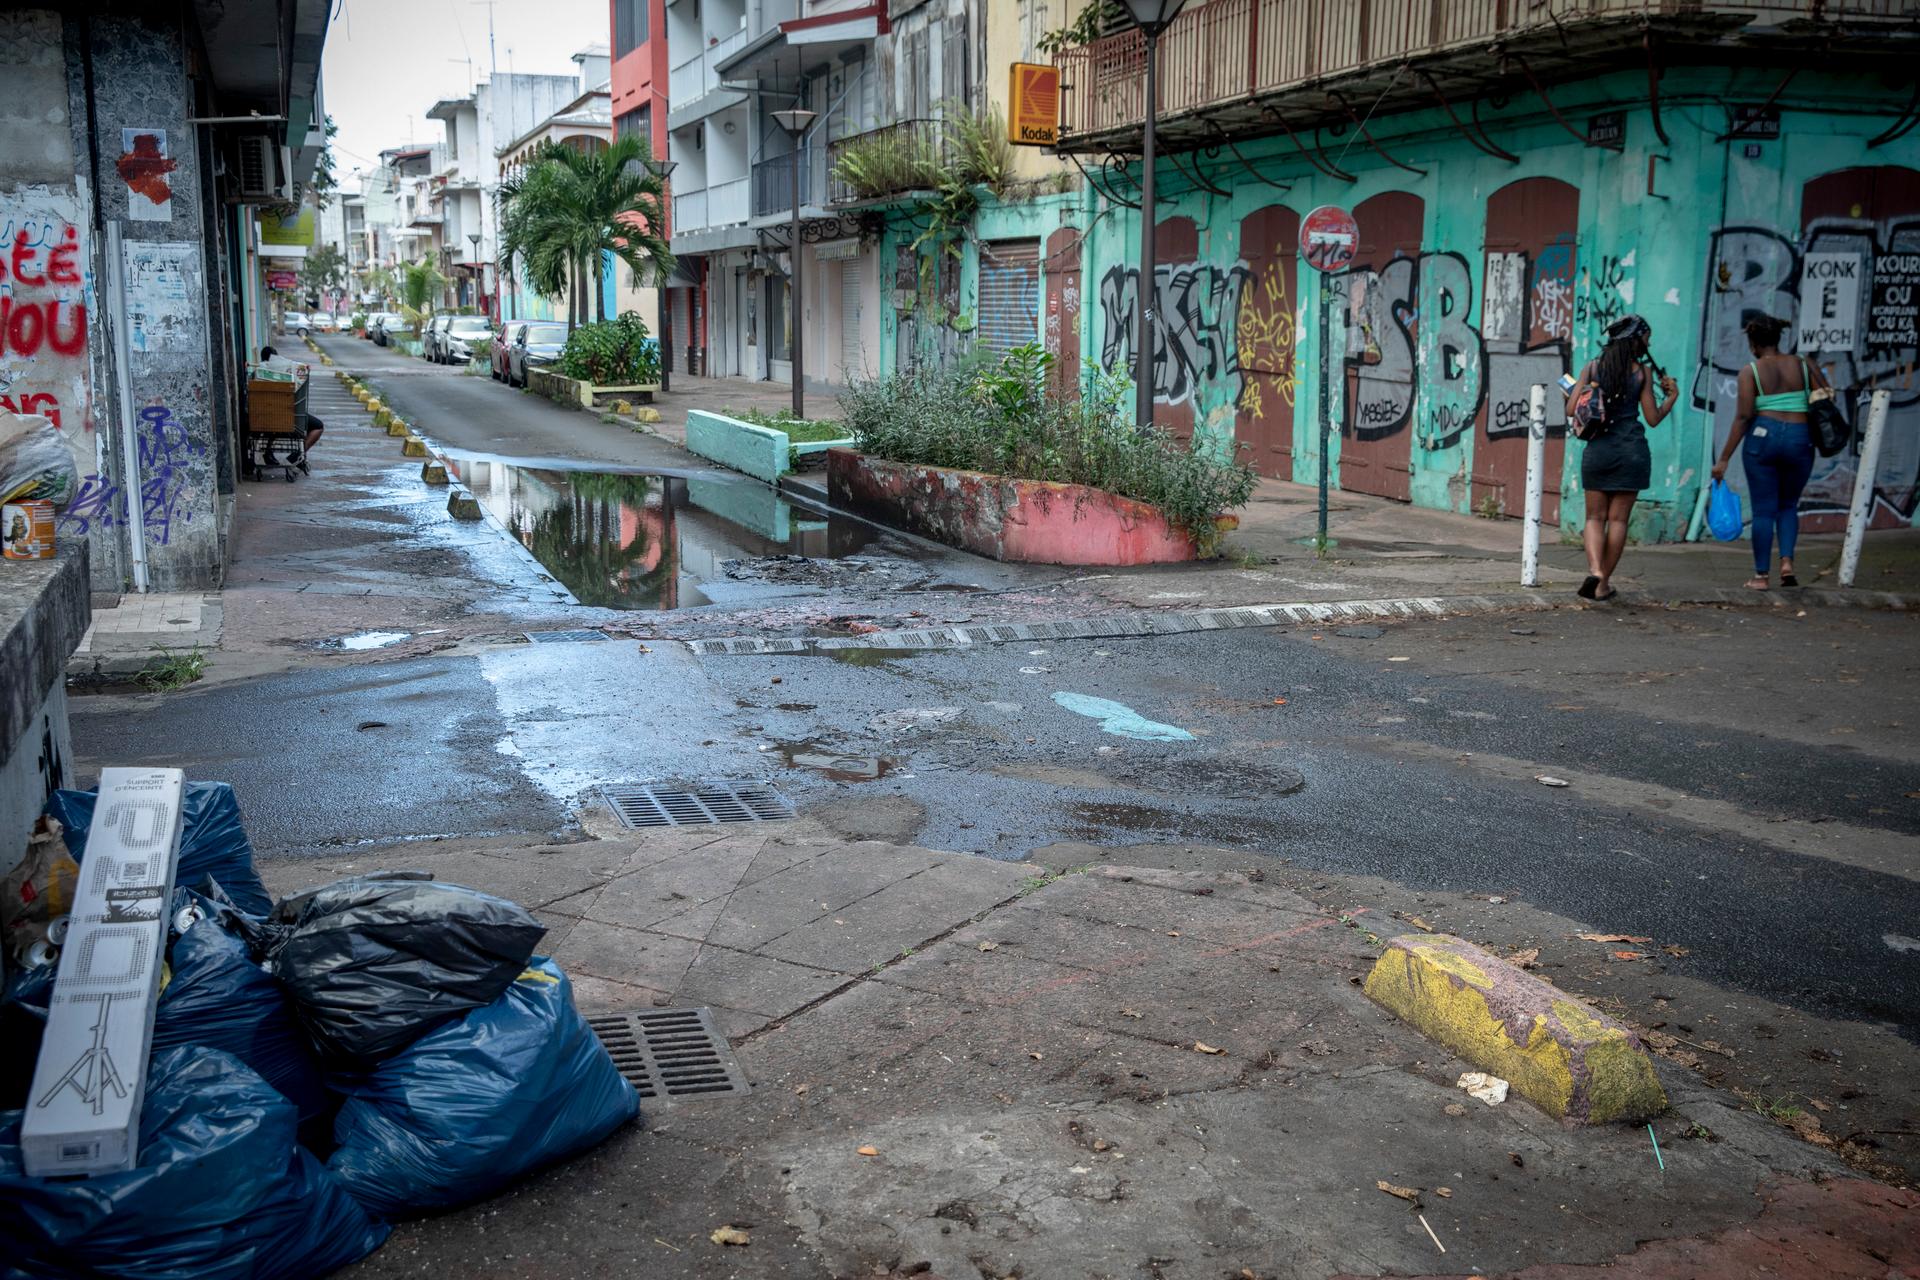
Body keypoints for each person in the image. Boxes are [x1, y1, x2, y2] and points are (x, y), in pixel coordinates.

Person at [1565, 314, 1678, 602]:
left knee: (1594, 517)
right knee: (1618, 521)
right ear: (1635, 340)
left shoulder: (1592, 367)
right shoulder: (1642, 373)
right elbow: (1652, 418)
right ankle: (1603, 582)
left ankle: (1594, 570)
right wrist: (1671, 398)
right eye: (1646, 340)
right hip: (1632, 452)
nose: (1647, 345)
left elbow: (1569, 409)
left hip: (1598, 451)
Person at [1712, 314, 1822, 590]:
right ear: (1778, 338)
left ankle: (1761, 576)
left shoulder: (1751, 371)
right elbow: (1825, 397)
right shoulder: (1804, 364)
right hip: (1800, 437)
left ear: (1753, 344)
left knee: (1763, 511)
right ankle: (1787, 565)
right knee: (1788, 505)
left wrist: (1724, 457)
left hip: (1763, 438)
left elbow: (1743, 417)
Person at [258, 346, 323, 467]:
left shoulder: (257, 375)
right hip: (288, 418)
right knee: (318, 426)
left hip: (264, 418)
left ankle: (267, 452)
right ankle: (299, 454)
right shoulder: (285, 374)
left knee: (272, 423)